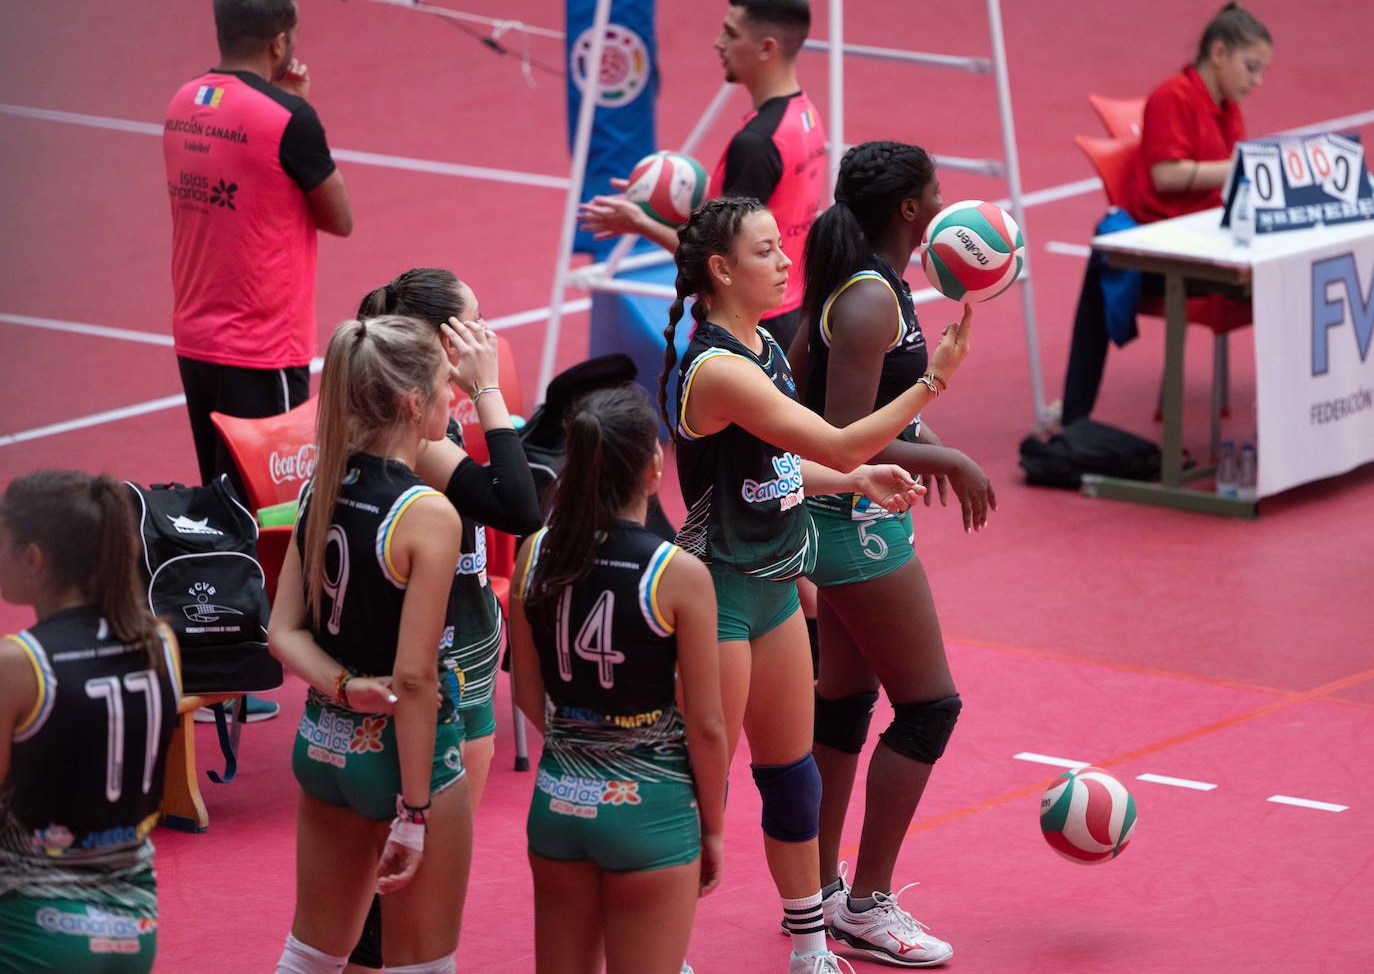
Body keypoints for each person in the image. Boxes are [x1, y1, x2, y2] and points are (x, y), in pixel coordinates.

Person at [659, 195, 972, 974]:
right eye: (765, 250)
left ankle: (810, 946)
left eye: (781, 245)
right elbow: (833, 431)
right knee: (705, 785)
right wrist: (933, 380)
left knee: (791, 777)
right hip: (719, 593)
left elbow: (788, 459)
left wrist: (853, 477)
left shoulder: (762, 342)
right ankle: (658, 949)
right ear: (723, 269)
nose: (783, 260)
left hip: (773, 586)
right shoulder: (719, 368)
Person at [789, 141, 998, 967]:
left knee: (844, 702)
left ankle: (814, 894)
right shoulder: (871, 299)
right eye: (936, 191)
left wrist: (923, 436)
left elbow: (869, 413)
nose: (944, 201)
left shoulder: (882, 286)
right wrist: (944, 455)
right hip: (852, 528)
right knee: (929, 706)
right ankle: (866, 905)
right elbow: (842, 446)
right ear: (911, 208)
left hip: (851, 521)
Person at [344, 270, 543, 974]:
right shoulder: (411, 436)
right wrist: (490, 392)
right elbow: (518, 509)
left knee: (425, 876)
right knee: (405, 882)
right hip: (432, 684)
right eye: (475, 321)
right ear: (440, 340)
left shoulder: (433, 423)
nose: (487, 334)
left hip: (467, 671)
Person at [268, 316, 475, 974]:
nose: (454, 398)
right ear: (414, 402)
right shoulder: (427, 514)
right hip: (403, 760)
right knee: (422, 965)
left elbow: (282, 632)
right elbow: (414, 680)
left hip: (326, 746)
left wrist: (341, 685)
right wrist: (414, 810)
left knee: (309, 954)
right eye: (446, 385)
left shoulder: (316, 488)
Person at [508, 385, 727, 974]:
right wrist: (712, 828)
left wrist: (582, 749)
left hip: (559, 801)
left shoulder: (534, 554)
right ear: (654, 470)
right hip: (650, 811)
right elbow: (707, 726)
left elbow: (527, 695)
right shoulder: (676, 573)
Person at [164, 0, 353, 496]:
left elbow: (250, 182)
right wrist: (295, 109)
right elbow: (341, 218)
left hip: (196, 337)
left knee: (218, 498)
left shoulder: (183, 103)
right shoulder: (290, 120)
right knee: (270, 509)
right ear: (280, 43)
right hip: (263, 346)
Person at [0, 471, 182, 973]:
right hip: (135, 924)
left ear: (32, 558)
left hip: (34, 927)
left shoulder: (20, 663)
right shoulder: (159, 643)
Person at [580, 0, 826, 350]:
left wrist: (641, 223)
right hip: (788, 311)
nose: (718, 43)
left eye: (730, 33)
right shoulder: (804, 115)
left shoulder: (756, 143)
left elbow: (711, 261)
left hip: (744, 329)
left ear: (767, 48)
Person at [1059, 1, 1272, 425]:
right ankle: (1073, 417)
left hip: (1212, 238)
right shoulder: (1173, 96)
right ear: (1218, 53)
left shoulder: (1230, 109)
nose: (1257, 80)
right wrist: (1243, 165)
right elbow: (1167, 175)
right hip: (1165, 251)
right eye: (1251, 67)